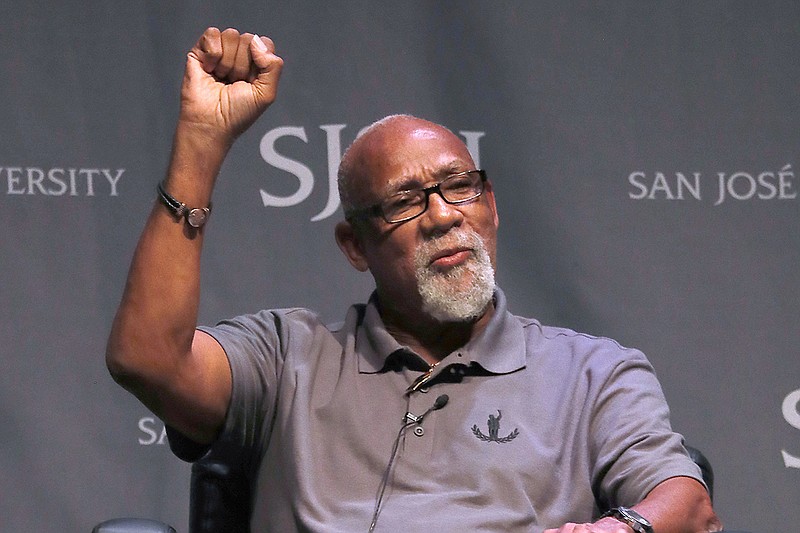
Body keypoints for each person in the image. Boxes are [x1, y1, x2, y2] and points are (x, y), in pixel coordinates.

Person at [106, 27, 723, 533]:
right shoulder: (286, 358)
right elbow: (147, 359)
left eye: (461, 188)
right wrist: (201, 142)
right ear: (354, 246)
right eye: (405, 201)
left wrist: (623, 529)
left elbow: (688, 507)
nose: (443, 215)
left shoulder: (593, 374)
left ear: (492, 207)